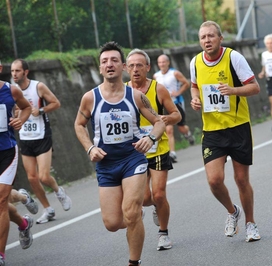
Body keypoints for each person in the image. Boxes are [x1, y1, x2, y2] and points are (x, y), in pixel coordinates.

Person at [74, 41, 165, 266]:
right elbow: (78, 125)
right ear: (100, 68)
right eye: (105, 61)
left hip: (132, 160)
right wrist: (90, 148)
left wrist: (150, 138)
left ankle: (134, 261)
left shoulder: (135, 96)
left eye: (114, 60)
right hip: (106, 164)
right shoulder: (90, 98)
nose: (109, 64)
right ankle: (135, 219)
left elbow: (159, 122)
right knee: (113, 223)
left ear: (122, 66)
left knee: (130, 212)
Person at [190, 20, 261, 242]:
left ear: (220, 38)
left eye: (211, 36)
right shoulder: (195, 62)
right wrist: (194, 98)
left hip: (238, 127)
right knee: (214, 180)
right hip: (212, 130)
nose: (207, 40)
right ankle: (233, 211)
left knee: (241, 179)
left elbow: (254, 87)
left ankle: (250, 223)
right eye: (203, 37)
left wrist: (233, 90)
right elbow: (194, 85)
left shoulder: (233, 58)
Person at [126, 49, 181, 251]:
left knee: (158, 195)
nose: (135, 69)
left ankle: (163, 234)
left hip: (157, 148)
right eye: (131, 65)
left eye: (139, 65)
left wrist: (165, 119)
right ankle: (157, 208)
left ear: (148, 67)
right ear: (125, 68)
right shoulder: (122, 91)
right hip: (134, 151)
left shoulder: (158, 89)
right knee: (144, 198)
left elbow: (177, 115)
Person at [11, 59, 72, 224]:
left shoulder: (38, 87)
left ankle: (59, 192)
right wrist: (15, 115)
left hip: (42, 136)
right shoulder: (12, 90)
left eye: (17, 71)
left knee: (44, 176)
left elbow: (56, 103)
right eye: (12, 71)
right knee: (32, 178)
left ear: (25, 72)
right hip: (25, 138)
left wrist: (41, 110)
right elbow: (14, 111)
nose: (14, 74)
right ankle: (48, 209)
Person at [0, 78, 32, 265]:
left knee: (1, 199)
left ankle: (1, 255)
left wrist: (20, 120)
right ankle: (23, 223)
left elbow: (26, 107)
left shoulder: (11, 90)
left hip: (7, 152)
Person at [154, 54, 195, 163]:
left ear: (168, 63)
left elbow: (186, 83)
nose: (162, 64)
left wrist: (177, 93)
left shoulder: (174, 73)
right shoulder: (156, 76)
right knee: (169, 130)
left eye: (164, 62)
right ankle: (172, 154)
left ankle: (188, 134)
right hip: (164, 105)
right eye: (160, 62)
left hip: (176, 103)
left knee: (181, 128)